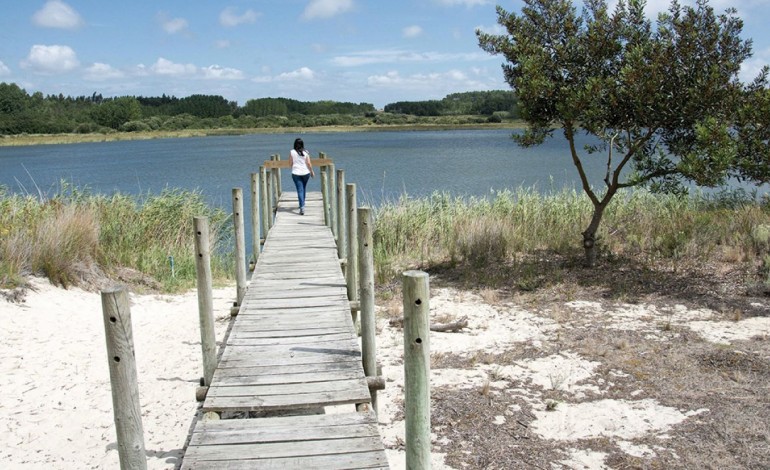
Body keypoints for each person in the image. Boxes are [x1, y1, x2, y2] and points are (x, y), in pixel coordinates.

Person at [289, 137, 315, 215]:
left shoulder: (292, 152)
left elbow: (290, 163)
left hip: (296, 173)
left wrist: (294, 166)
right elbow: (309, 163)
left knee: (300, 190)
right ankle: (302, 204)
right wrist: (312, 172)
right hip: (306, 173)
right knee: (303, 188)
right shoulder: (306, 152)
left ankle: (302, 207)